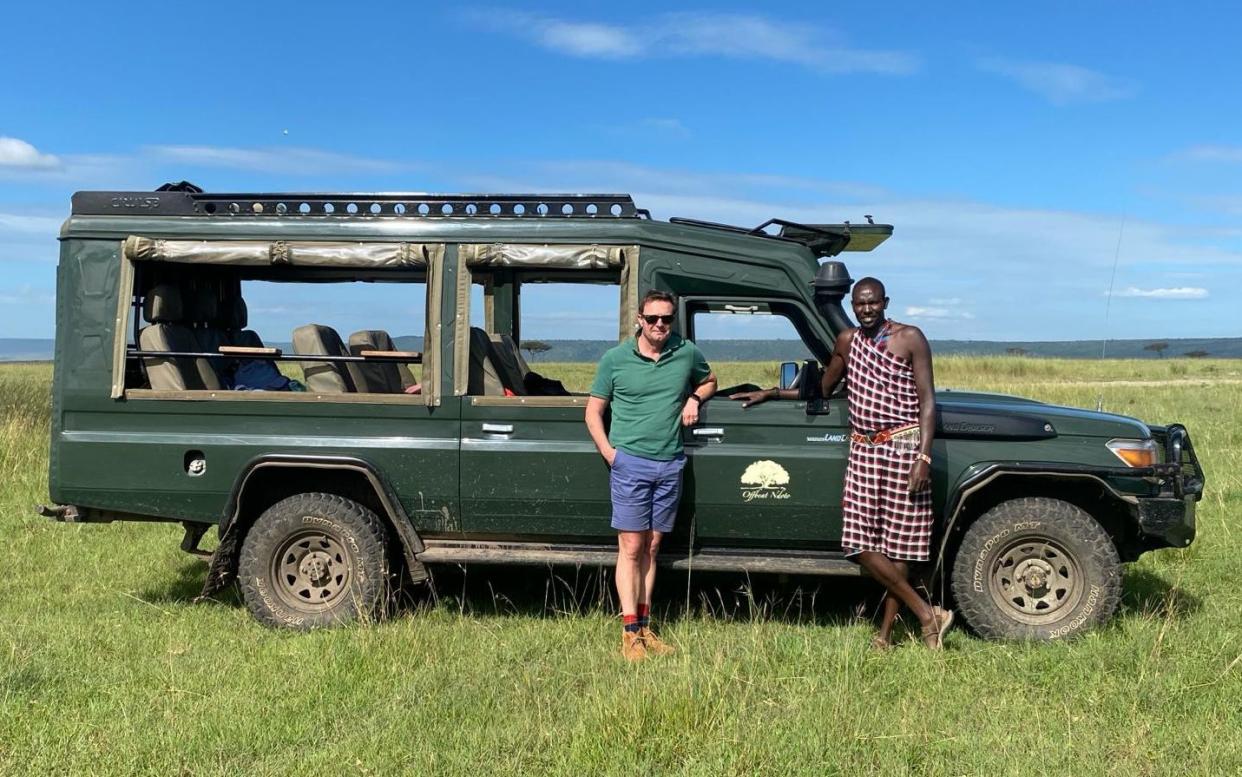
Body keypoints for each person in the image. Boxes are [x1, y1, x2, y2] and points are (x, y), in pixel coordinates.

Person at [729, 277, 953, 649]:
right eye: (860, 303)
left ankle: (886, 637)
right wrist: (771, 392)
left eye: (873, 303)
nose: (866, 309)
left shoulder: (910, 337)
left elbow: (928, 400)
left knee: (898, 549)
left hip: (903, 446)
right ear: (853, 304)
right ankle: (928, 613)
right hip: (864, 450)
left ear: (885, 302)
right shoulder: (848, 341)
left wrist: (924, 457)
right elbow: (824, 388)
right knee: (858, 544)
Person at [585, 290, 717, 661]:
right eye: (653, 318)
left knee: (654, 547)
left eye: (667, 319)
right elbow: (593, 412)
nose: (660, 325)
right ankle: (629, 633)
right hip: (630, 463)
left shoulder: (685, 352)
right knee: (630, 547)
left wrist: (694, 398)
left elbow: (710, 381)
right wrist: (612, 455)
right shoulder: (615, 360)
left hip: (670, 462)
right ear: (640, 320)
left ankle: (645, 626)